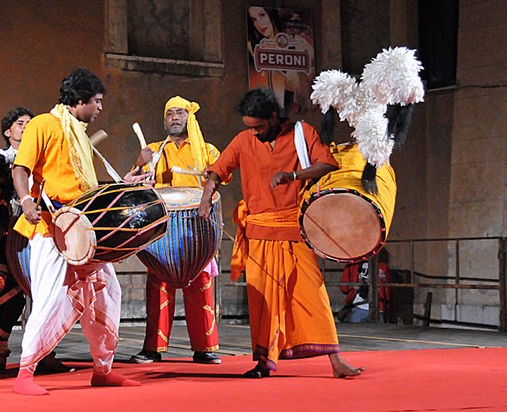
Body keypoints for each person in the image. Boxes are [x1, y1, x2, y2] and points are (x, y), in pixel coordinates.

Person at [198, 88, 364, 378]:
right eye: (250, 127)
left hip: (294, 230)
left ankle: (336, 362)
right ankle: (263, 362)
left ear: (274, 116)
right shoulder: (243, 140)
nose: (255, 132)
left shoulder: (302, 133)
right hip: (259, 234)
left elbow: (327, 163)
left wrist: (294, 176)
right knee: (263, 303)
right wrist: (206, 196)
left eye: (259, 127)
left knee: (313, 295)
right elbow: (218, 170)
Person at [11, 68, 146, 395]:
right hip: (53, 229)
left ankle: (103, 370)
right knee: (51, 299)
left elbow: (83, 189)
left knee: (107, 295)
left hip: (85, 231)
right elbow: (20, 168)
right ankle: (25, 374)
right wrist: (26, 200)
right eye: (96, 101)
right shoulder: (43, 124)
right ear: (81, 100)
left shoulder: (80, 135)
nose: (100, 108)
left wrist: (124, 183)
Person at [0, 107, 70, 374]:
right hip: (12, 237)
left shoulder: (45, 158)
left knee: (46, 293)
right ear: (7, 131)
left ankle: (45, 354)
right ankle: (0, 356)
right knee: (6, 294)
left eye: (29, 123)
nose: (25, 127)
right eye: (20, 123)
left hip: (42, 234)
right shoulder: (1, 160)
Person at [129, 96, 222, 365]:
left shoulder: (207, 150)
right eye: (170, 114)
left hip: (197, 227)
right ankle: (152, 348)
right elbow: (133, 182)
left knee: (200, 286)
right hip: (162, 228)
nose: (175, 118)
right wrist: (139, 162)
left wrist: (210, 176)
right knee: (158, 288)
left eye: (180, 113)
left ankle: (204, 348)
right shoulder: (154, 150)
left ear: (189, 117)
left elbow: (221, 178)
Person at [246, 6, 314, 111]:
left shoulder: (295, 41)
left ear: (271, 15)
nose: (259, 24)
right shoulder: (254, 46)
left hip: (299, 102)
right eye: (254, 20)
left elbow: (314, 67)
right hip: (271, 102)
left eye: (262, 15)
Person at [338, 255, 392, 323]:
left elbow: (388, 290)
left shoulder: (383, 267)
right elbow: (343, 287)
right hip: (358, 306)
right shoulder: (352, 264)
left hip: (378, 308)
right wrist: (353, 286)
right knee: (355, 328)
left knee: (378, 329)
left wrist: (387, 307)